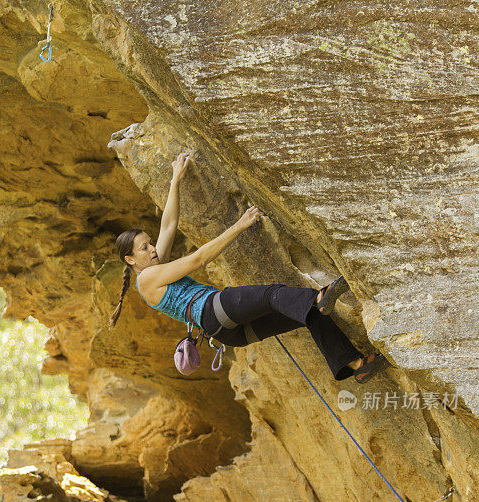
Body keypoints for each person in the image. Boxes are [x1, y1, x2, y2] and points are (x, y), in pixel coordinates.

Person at [109, 153, 390, 383]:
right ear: (131, 260)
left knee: (309, 314)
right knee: (274, 295)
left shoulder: (157, 266)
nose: (153, 249)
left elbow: (168, 224)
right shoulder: (147, 278)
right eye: (144, 248)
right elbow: (198, 260)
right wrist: (240, 225)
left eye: (150, 243)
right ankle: (319, 297)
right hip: (211, 310)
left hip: (229, 333)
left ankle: (355, 365)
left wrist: (175, 180)